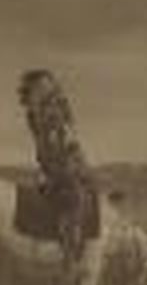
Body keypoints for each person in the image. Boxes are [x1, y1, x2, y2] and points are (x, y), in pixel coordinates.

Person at [17, 69, 94, 271]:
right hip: (55, 160)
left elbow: (68, 131)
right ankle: (70, 254)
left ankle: (81, 242)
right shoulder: (37, 112)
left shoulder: (57, 104)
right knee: (74, 197)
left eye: (49, 84)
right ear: (34, 90)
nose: (48, 88)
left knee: (87, 190)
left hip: (64, 157)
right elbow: (48, 140)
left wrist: (70, 143)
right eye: (43, 86)